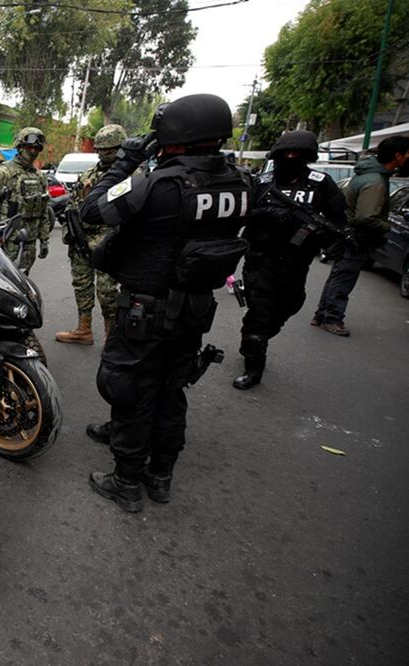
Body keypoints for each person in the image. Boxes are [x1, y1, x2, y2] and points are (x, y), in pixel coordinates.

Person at [80, 94, 255, 512]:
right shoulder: (242, 183)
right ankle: (160, 476)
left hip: (145, 305)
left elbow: (92, 210)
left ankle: (126, 482)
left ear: (175, 137)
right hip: (193, 307)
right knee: (171, 389)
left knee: (131, 389)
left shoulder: (158, 185)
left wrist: (125, 161)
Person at [232, 131, 347, 389]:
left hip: (296, 262)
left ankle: (255, 339)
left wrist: (331, 239)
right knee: (259, 313)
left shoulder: (320, 183)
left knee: (292, 304)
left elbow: (338, 218)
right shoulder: (262, 182)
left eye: (297, 154)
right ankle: (253, 365)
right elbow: (241, 212)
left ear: (308, 157)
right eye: (286, 153)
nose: (291, 158)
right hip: (261, 258)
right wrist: (269, 213)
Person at [311, 136, 409, 336]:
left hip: (348, 235)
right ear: (398, 156)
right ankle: (331, 317)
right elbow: (366, 217)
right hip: (356, 238)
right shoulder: (375, 182)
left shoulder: (370, 175)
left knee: (338, 275)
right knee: (344, 277)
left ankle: (322, 315)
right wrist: (385, 226)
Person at [55, 124, 126, 345]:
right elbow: (73, 204)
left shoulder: (131, 175)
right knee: (82, 285)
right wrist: (70, 232)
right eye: (101, 149)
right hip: (82, 240)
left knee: (107, 292)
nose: (104, 153)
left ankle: (111, 336)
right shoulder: (89, 173)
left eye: (109, 149)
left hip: (110, 241)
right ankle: (83, 329)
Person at [0, 127, 51, 273]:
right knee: (5, 279)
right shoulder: (4, 173)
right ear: (20, 147)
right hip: (9, 240)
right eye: (29, 147)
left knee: (24, 278)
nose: (33, 151)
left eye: (36, 148)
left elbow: (44, 210)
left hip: (30, 241)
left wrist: (44, 239)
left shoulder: (40, 177)